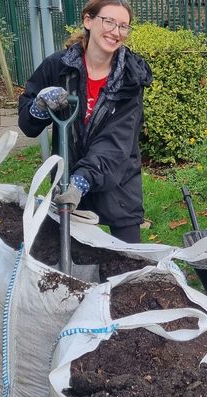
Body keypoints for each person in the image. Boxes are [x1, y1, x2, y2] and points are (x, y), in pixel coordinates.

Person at [18, 0, 152, 243]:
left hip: (117, 180)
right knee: (71, 263)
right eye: (109, 21)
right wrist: (39, 107)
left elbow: (116, 141)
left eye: (123, 26)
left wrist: (82, 180)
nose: (116, 31)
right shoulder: (58, 67)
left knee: (127, 265)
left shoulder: (130, 78)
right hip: (67, 177)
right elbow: (28, 125)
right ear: (88, 21)